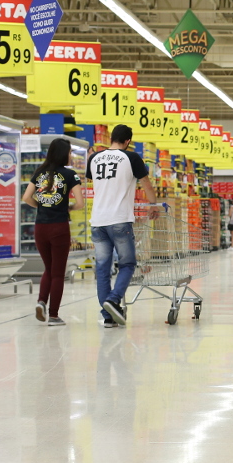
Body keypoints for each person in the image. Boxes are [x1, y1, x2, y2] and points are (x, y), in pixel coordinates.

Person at [87, 124, 157, 328]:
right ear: (127, 141)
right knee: (127, 264)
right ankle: (113, 299)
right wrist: (153, 205)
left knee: (102, 268)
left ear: (111, 138)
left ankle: (107, 316)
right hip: (119, 220)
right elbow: (147, 185)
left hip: (98, 221)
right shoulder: (132, 157)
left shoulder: (94, 159)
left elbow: (96, 183)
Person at [21, 138, 84, 326]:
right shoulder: (70, 175)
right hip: (59, 227)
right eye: (70, 152)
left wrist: (41, 205)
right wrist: (69, 208)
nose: (71, 155)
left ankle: (41, 301)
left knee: (48, 269)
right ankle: (54, 315)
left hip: (40, 227)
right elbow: (80, 203)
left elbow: (26, 197)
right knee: (58, 273)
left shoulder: (39, 173)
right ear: (64, 153)